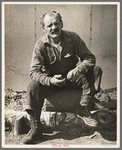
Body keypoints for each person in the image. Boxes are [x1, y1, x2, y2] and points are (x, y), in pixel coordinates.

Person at [21, 11, 102, 144]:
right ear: (43, 28)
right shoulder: (40, 45)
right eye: (49, 25)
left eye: (56, 23)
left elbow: (90, 58)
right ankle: (36, 129)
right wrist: (50, 80)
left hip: (72, 79)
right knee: (33, 86)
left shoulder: (73, 38)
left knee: (96, 71)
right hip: (52, 83)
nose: (54, 27)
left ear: (62, 24)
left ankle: (83, 107)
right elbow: (34, 72)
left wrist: (78, 69)